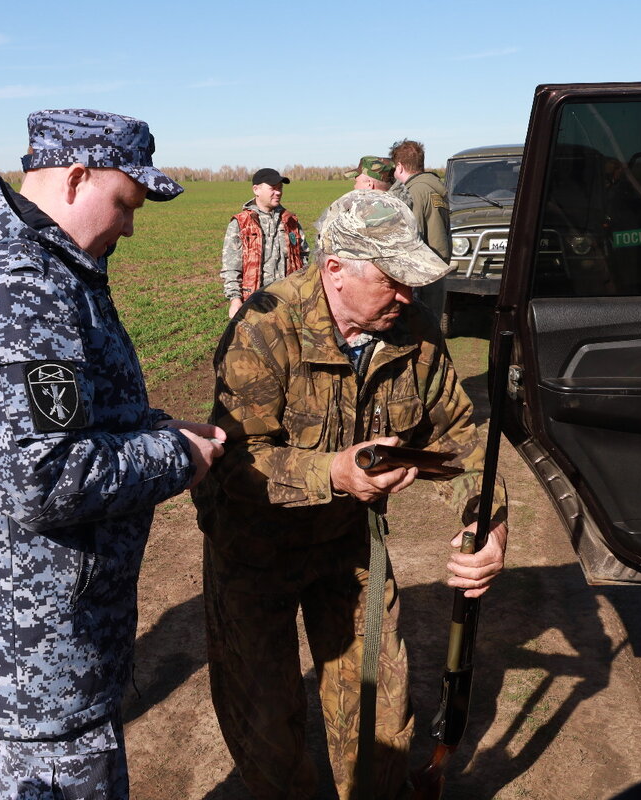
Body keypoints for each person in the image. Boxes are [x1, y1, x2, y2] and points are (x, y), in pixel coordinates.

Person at [0, 109, 225, 800]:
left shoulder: (50, 266)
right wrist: (174, 454)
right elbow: (43, 479)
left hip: (45, 629)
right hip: (30, 647)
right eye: (126, 203)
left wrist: (157, 426)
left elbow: (67, 422)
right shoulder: (11, 285)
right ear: (77, 177)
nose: (130, 226)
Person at [193, 190, 508, 800]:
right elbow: (231, 464)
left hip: (348, 549)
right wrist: (333, 473)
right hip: (253, 553)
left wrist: (488, 526)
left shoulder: (412, 333)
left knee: (380, 719)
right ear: (334, 269)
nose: (408, 296)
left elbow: (462, 445)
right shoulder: (263, 327)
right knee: (267, 729)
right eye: (393, 280)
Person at [220, 167, 310, 318]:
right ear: (256, 189)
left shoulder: (290, 221)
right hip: (255, 306)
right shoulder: (241, 223)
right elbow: (231, 267)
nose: (278, 192)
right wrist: (235, 300)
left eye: (280, 188)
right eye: (273, 188)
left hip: (290, 303)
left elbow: (303, 258)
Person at [389, 138, 452, 321]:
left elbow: (411, 239)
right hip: (438, 271)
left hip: (421, 279)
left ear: (399, 166)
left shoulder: (413, 192)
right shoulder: (434, 189)